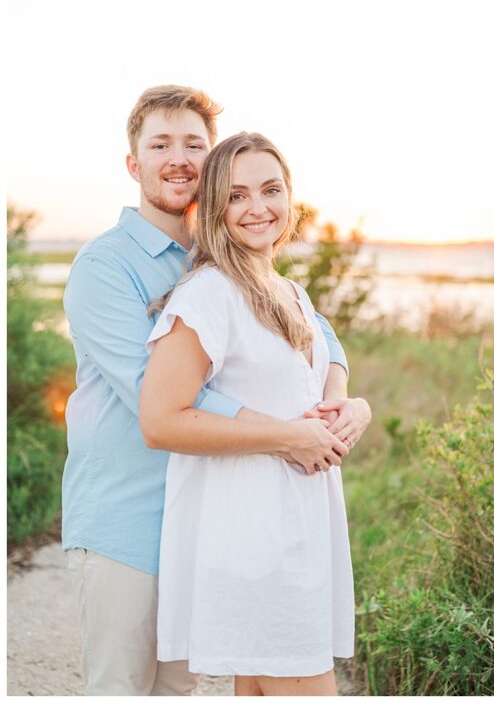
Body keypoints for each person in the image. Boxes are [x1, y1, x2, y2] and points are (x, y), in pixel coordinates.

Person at [61, 85, 370, 696]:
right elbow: (159, 399)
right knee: (123, 688)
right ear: (134, 163)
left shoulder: (225, 254)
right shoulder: (108, 267)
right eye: (160, 144)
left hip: (207, 517)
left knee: (183, 690)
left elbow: (314, 334)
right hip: (129, 521)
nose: (178, 158)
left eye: (193, 145)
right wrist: (290, 435)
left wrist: (341, 399)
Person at [140, 132, 355, 696]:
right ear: (213, 207)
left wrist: (351, 407)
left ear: (291, 197)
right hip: (254, 538)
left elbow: (319, 371)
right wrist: (288, 438)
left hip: (294, 531)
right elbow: (160, 421)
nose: (258, 208)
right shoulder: (209, 295)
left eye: (271, 189)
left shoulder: (287, 290)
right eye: (236, 195)